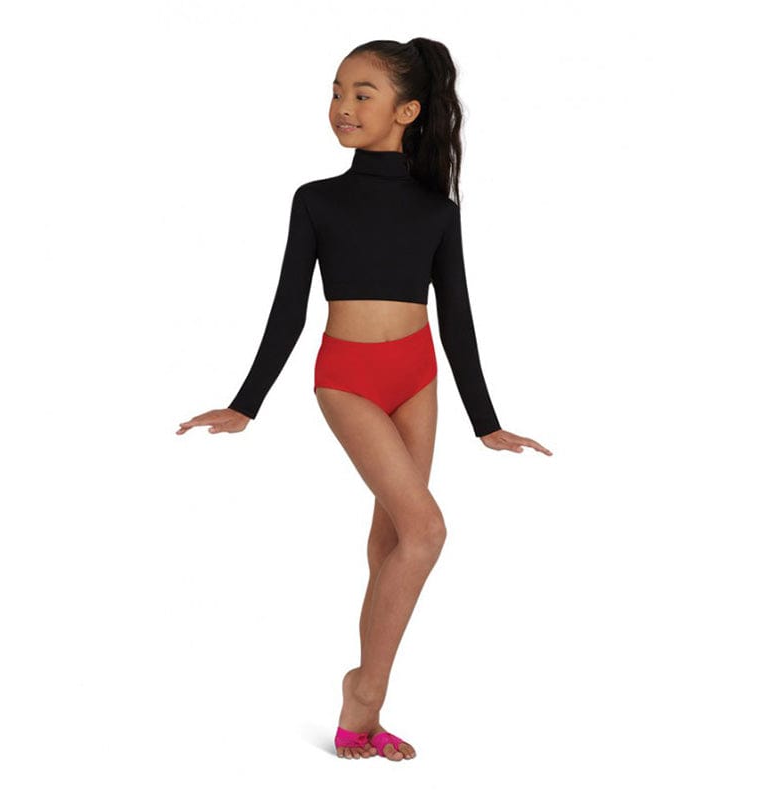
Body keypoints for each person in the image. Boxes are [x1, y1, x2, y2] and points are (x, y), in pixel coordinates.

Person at [177, 37, 553, 761]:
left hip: (417, 376)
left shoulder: (437, 210)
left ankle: (362, 715)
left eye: (361, 93)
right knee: (427, 529)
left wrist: (487, 421)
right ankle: (366, 689)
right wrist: (246, 403)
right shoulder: (316, 200)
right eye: (337, 91)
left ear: (407, 111)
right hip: (347, 376)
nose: (342, 106)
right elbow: (288, 310)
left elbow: (458, 317)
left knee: (395, 540)